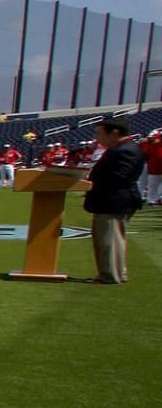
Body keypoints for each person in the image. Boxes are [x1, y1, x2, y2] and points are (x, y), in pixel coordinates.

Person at [82, 116, 143, 285]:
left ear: (114, 132)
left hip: (114, 202)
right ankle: (116, 272)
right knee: (111, 239)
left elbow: (118, 179)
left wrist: (90, 182)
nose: (97, 137)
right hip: (112, 201)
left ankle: (110, 275)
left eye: (99, 133)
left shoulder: (126, 150)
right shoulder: (120, 148)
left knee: (109, 240)